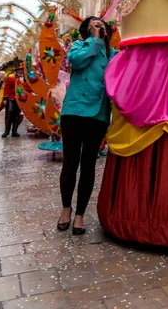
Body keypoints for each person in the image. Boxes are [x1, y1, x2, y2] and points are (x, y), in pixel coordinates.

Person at [57, 16, 117, 235]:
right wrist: (94, 40)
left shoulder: (114, 55)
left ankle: (80, 215)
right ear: (87, 31)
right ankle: (66, 209)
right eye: (93, 25)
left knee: (88, 165)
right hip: (73, 111)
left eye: (101, 25)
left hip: (98, 114)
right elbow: (77, 62)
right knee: (70, 164)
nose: (98, 27)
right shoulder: (78, 46)